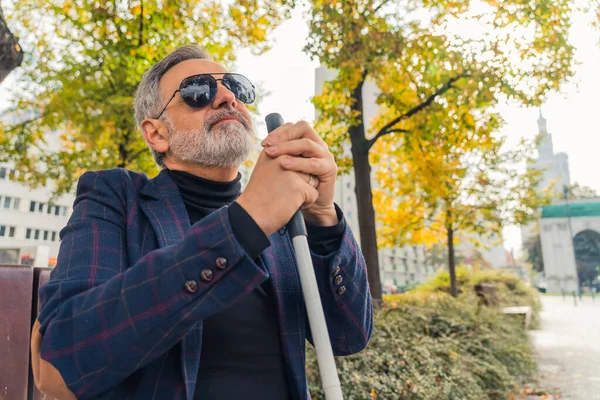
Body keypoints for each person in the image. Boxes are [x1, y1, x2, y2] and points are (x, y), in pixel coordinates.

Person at [30, 45, 373, 400]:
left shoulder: (286, 220)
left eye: (236, 88)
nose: (227, 98)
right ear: (157, 133)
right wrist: (244, 224)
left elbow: (347, 337)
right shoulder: (116, 198)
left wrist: (323, 220)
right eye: (198, 91)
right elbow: (62, 356)